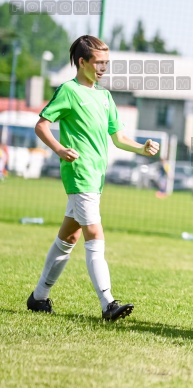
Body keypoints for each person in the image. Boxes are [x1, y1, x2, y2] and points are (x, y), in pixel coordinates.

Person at [26, 35, 160, 321]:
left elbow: (120, 138)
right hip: (80, 174)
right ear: (82, 62)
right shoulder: (69, 91)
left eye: (106, 63)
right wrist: (60, 149)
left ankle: (38, 297)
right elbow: (42, 125)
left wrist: (142, 148)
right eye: (98, 63)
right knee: (95, 235)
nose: (103, 68)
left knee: (68, 237)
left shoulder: (104, 96)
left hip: (96, 177)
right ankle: (108, 302)